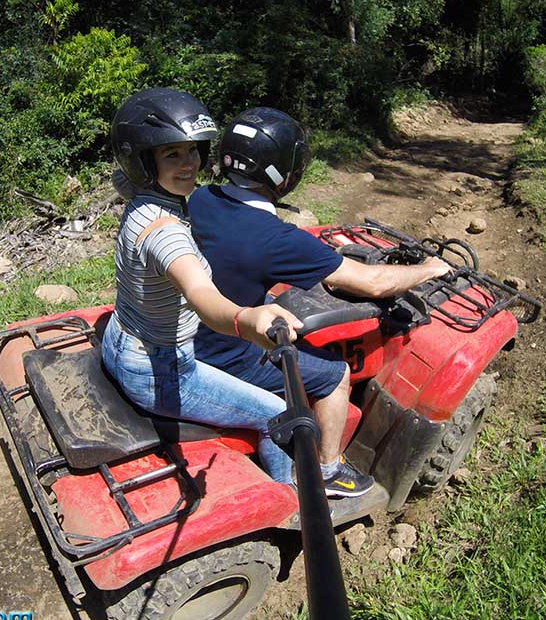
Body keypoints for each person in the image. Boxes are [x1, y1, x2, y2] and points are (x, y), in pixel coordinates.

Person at [187, 107, 453, 498]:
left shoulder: (202, 198)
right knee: (334, 375)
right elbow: (374, 282)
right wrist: (429, 269)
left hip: (192, 329)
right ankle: (328, 471)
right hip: (228, 355)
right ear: (285, 173)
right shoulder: (275, 239)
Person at [99, 88, 304, 486]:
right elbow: (200, 293)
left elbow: (121, 176)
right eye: (172, 154)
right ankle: (289, 500)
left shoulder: (140, 193)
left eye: (192, 150)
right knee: (276, 412)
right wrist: (246, 318)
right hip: (159, 368)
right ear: (145, 162)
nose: (189, 163)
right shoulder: (166, 235)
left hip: (121, 341)